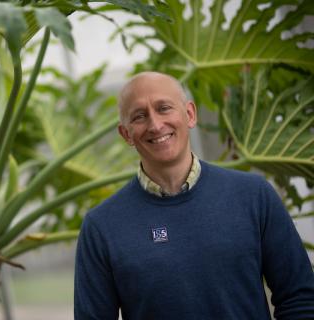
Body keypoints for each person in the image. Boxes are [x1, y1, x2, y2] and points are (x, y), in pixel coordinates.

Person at [74, 72, 314, 319]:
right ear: (126, 134)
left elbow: (300, 298)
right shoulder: (101, 227)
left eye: (164, 108)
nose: (155, 125)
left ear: (190, 114)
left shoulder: (254, 195)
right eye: (139, 116)